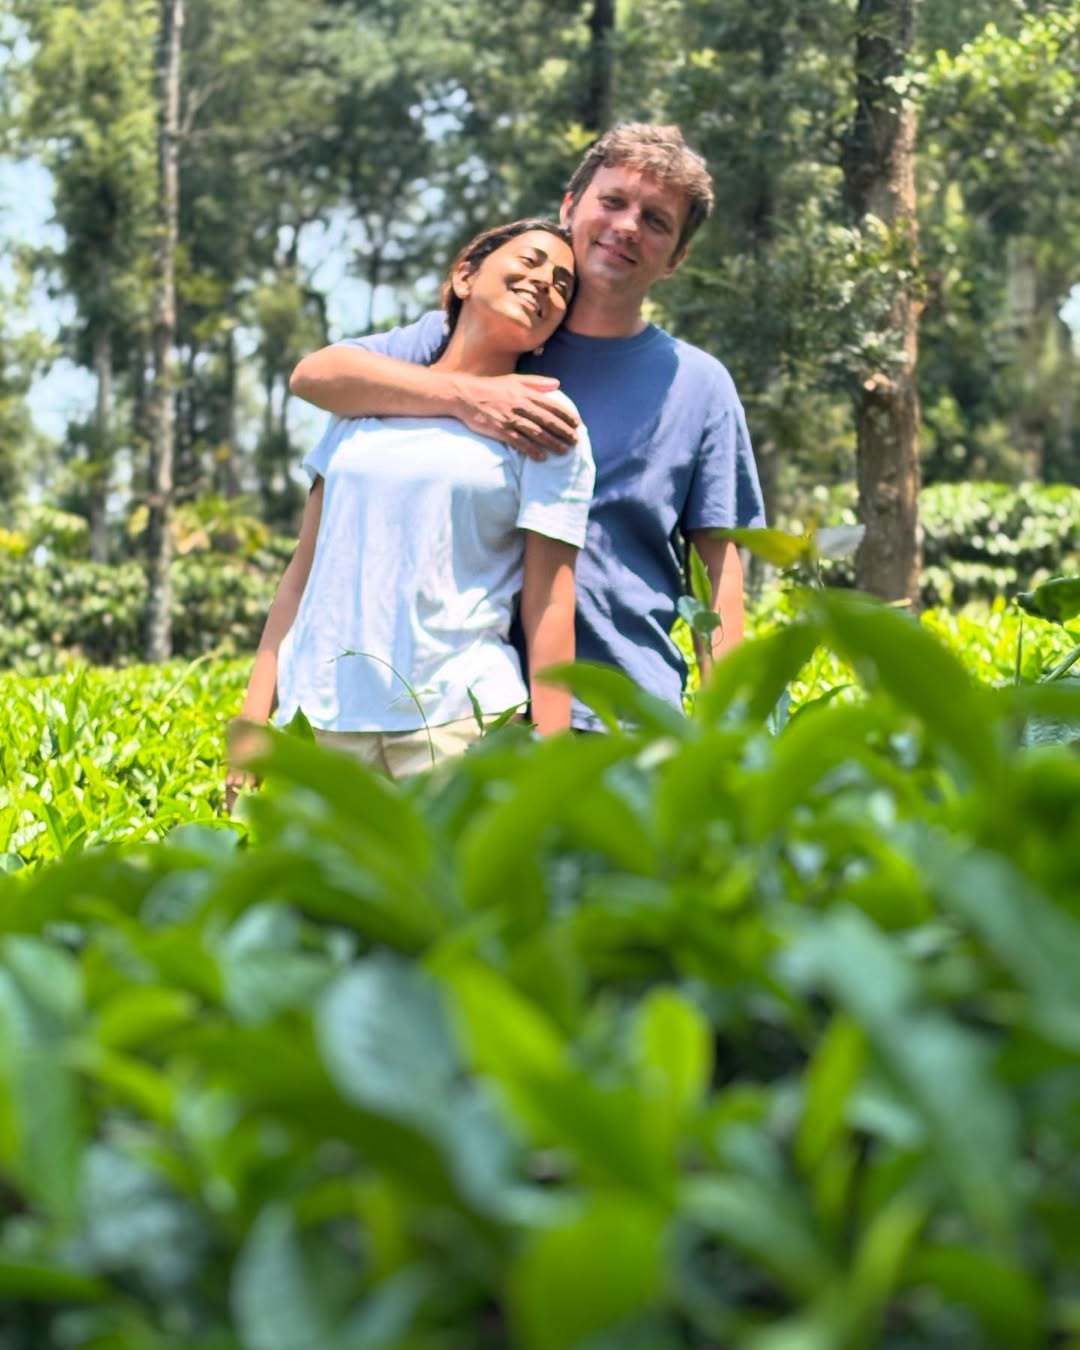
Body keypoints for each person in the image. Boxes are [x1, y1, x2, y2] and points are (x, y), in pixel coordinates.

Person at [290, 124, 766, 732]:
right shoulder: (480, 332)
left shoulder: (699, 386)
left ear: (676, 259)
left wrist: (741, 740)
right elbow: (317, 375)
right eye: (612, 201)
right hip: (462, 716)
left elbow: (719, 582)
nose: (626, 226)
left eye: (655, 221)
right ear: (571, 208)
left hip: (621, 718)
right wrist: (469, 396)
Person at [227, 219, 594, 807]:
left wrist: (550, 750)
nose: (544, 285)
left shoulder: (545, 417)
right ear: (465, 275)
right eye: (528, 261)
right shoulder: (361, 403)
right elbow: (302, 575)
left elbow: (549, 599)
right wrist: (254, 715)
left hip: (457, 723)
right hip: (319, 717)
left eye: (561, 285)